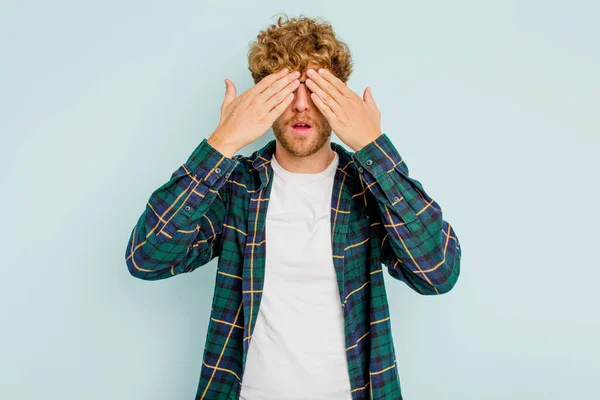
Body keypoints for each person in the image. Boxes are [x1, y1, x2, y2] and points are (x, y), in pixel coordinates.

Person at [125, 14, 461, 400]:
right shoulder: (236, 186)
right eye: (286, 89)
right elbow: (145, 258)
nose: (301, 105)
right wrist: (221, 143)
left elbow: (439, 272)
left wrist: (374, 148)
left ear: (339, 99)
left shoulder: (367, 189)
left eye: (315, 88)